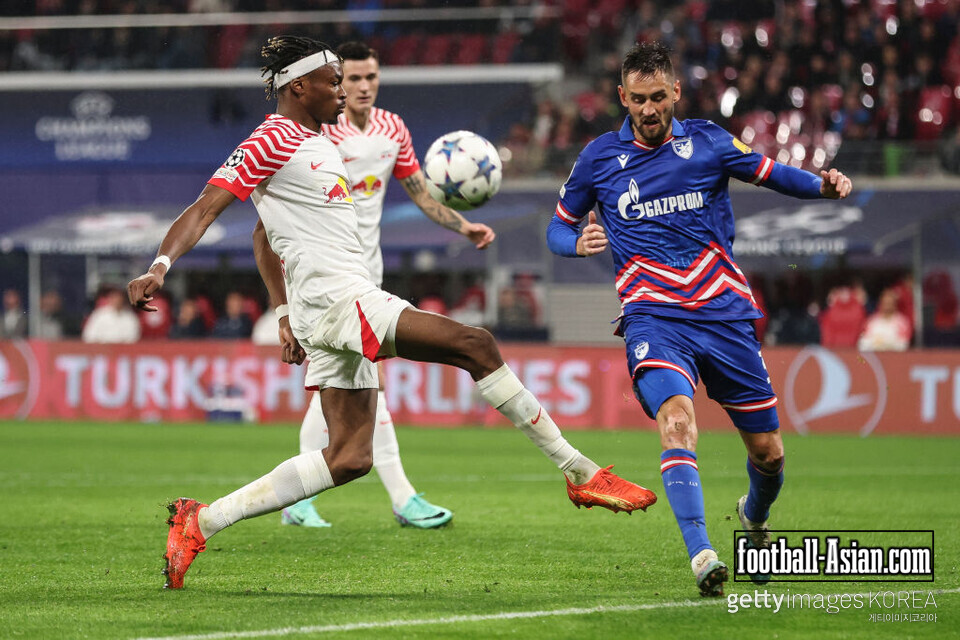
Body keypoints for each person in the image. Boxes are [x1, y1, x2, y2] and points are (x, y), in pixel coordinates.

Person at [127, 35, 656, 590]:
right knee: (476, 344)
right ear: (299, 87)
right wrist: (160, 267)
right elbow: (204, 208)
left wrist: (284, 311)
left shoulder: (318, 142)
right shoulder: (270, 139)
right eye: (333, 81)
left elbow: (265, 235)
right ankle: (579, 471)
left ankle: (201, 521)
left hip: (327, 305)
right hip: (337, 302)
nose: (342, 91)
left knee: (350, 457)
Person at [546, 42, 853, 597]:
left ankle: (753, 516)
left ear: (676, 91)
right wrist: (575, 243)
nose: (648, 109)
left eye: (657, 97)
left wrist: (822, 186)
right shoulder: (598, 158)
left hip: (725, 316)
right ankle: (702, 553)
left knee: (769, 455)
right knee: (677, 421)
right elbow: (556, 227)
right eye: (637, 99)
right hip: (653, 317)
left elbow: (774, 174)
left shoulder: (709, 141)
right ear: (622, 97)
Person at [269, 40, 497, 530]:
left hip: (366, 271)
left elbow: (421, 193)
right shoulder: (317, 134)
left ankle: (300, 499)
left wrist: (464, 227)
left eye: (370, 77)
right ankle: (402, 497)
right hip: (324, 279)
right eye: (351, 78)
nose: (362, 86)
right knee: (366, 382)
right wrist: (282, 305)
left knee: (347, 385)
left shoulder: (393, 129)